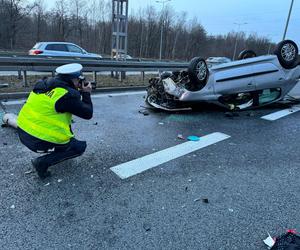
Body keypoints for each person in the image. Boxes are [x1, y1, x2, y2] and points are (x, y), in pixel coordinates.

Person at [17, 63, 93, 179]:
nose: (80, 83)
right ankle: (42, 162)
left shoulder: (44, 85)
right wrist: (86, 93)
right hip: (37, 140)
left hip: (22, 131)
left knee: (66, 135)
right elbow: (88, 114)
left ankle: (61, 146)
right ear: (72, 79)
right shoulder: (65, 95)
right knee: (79, 148)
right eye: (79, 79)